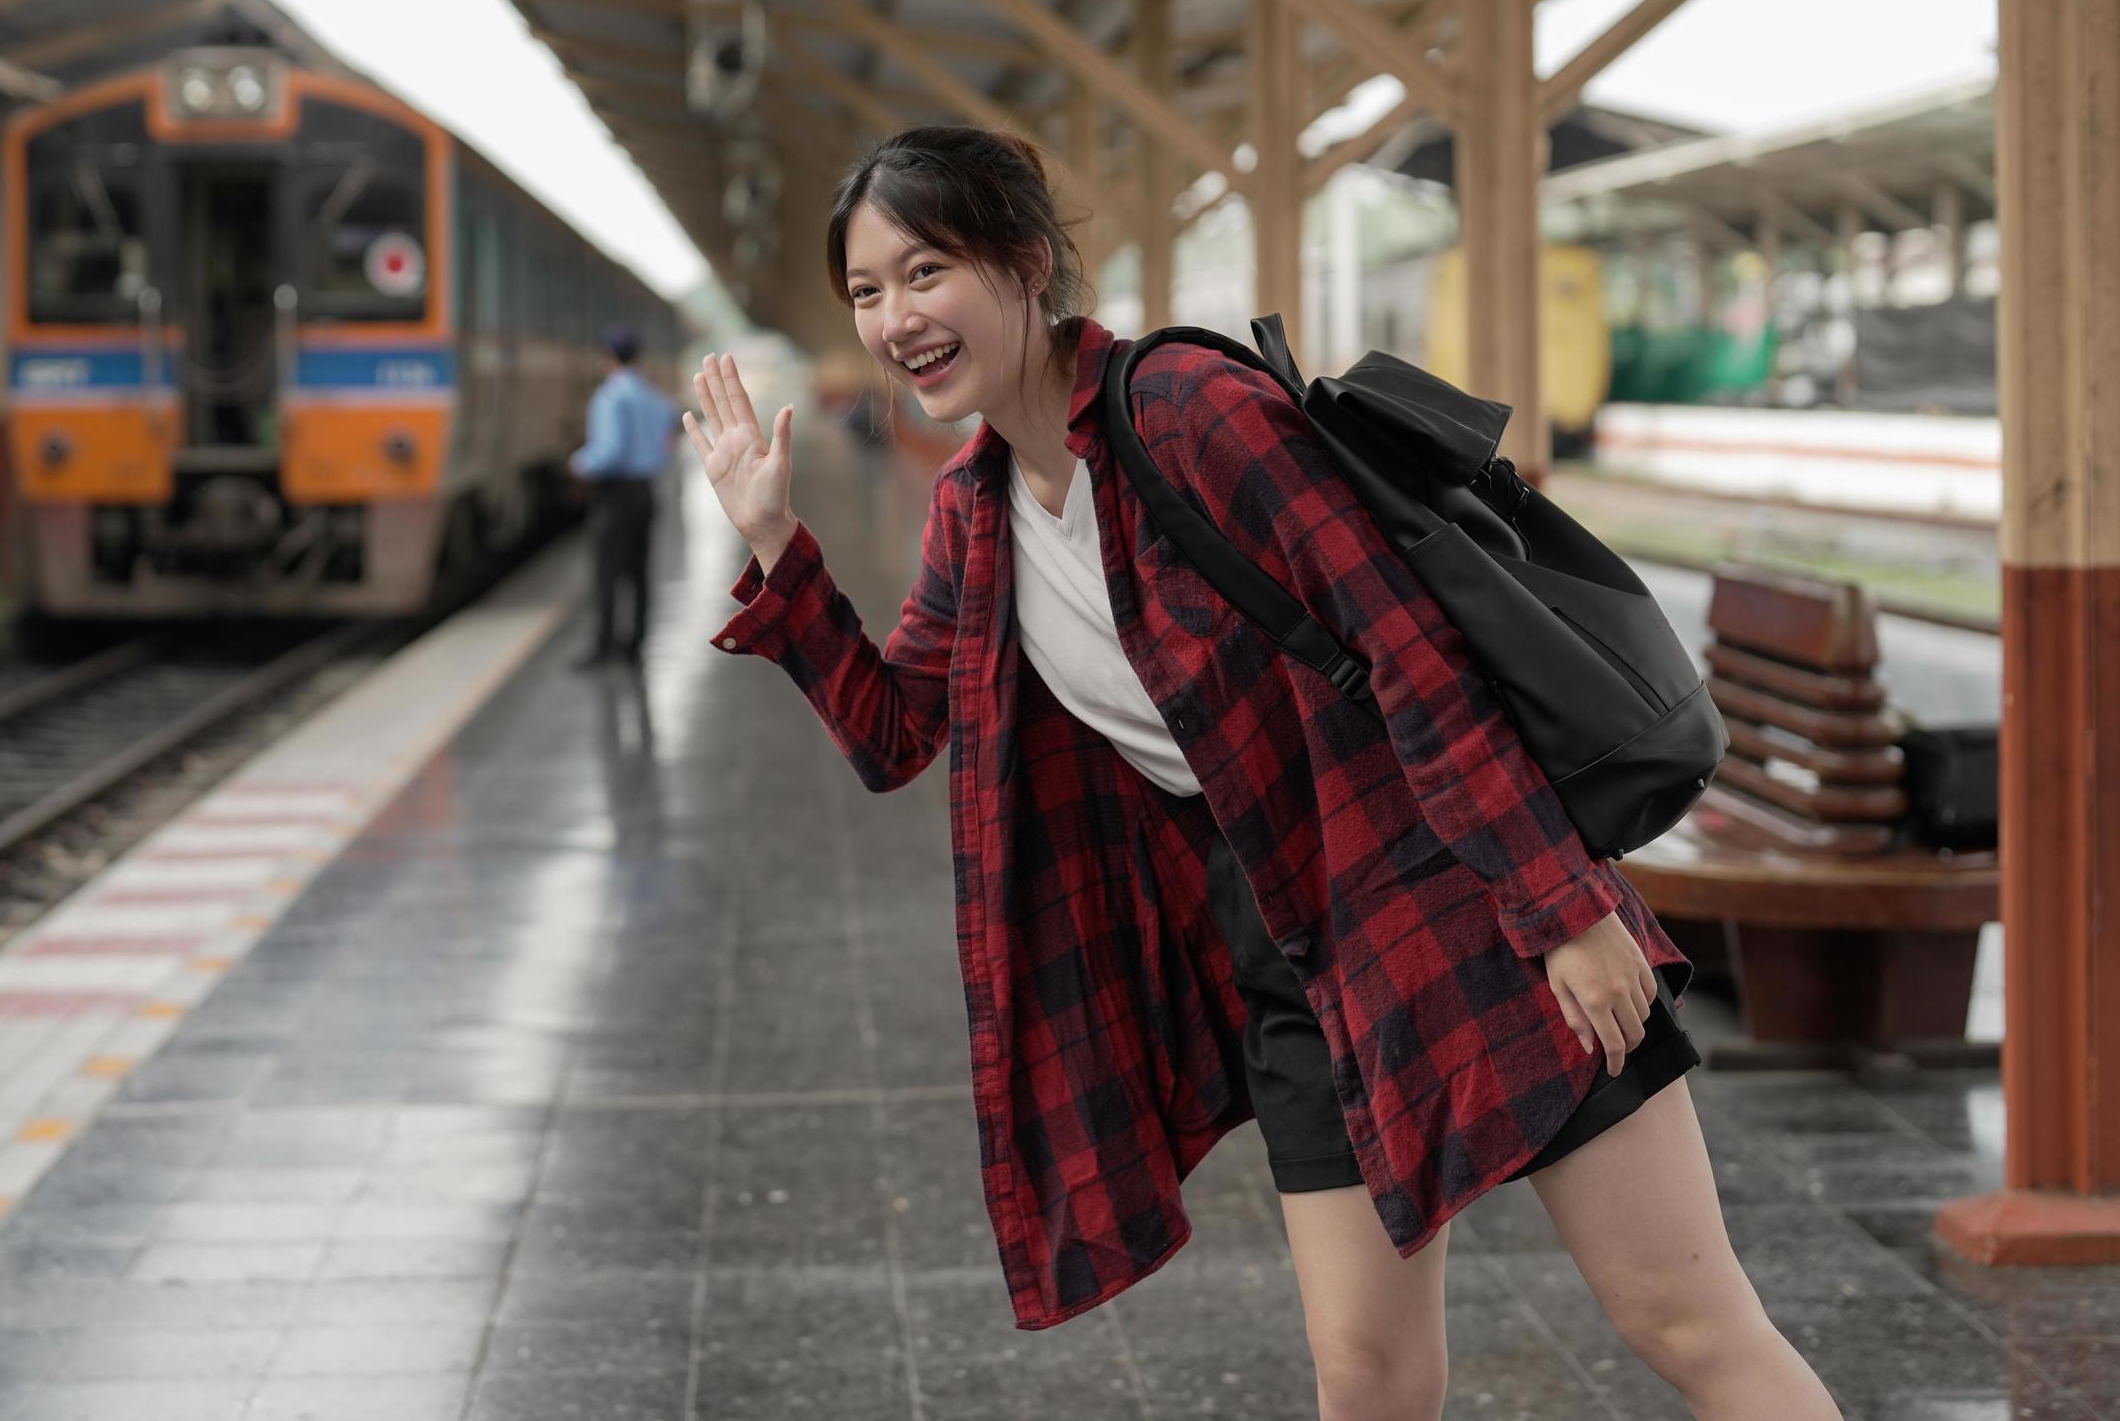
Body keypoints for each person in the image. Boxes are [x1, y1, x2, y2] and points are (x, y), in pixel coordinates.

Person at [681, 126, 1833, 1421]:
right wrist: (776, 539)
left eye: (927, 271)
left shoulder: (1186, 410)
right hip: (1287, 952)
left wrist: (1561, 905)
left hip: (1451, 891)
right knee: (1367, 1376)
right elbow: (895, 734)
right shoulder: (975, 508)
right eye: (868, 292)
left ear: (1028, 260)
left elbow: (1408, 648)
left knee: (1685, 1319)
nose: (898, 317)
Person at [570, 323, 673, 667]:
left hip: (614, 495)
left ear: (609, 357)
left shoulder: (610, 396)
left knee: (606, 572)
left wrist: (580, 463)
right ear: (637, 356)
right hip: (645, 491)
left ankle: (604, 646)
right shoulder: (653, 397)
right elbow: (666, 441)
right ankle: (636, 645)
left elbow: (609, 451)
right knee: (639, 571)